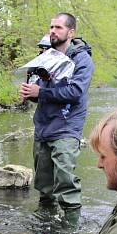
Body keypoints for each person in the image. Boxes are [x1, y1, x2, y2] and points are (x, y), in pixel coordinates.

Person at [19, 13, 93, 220]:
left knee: (65, 181)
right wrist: (31, 93)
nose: (53, 31)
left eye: (58, 28)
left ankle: (70, 232)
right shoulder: (46, 57)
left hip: (67, 128)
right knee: (44, 186)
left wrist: (40, 93)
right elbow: (41, 91)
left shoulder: (82, 60)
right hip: (43, 127)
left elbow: (76, 92)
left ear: (71, 32)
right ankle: (44, 226)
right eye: (51, 27)